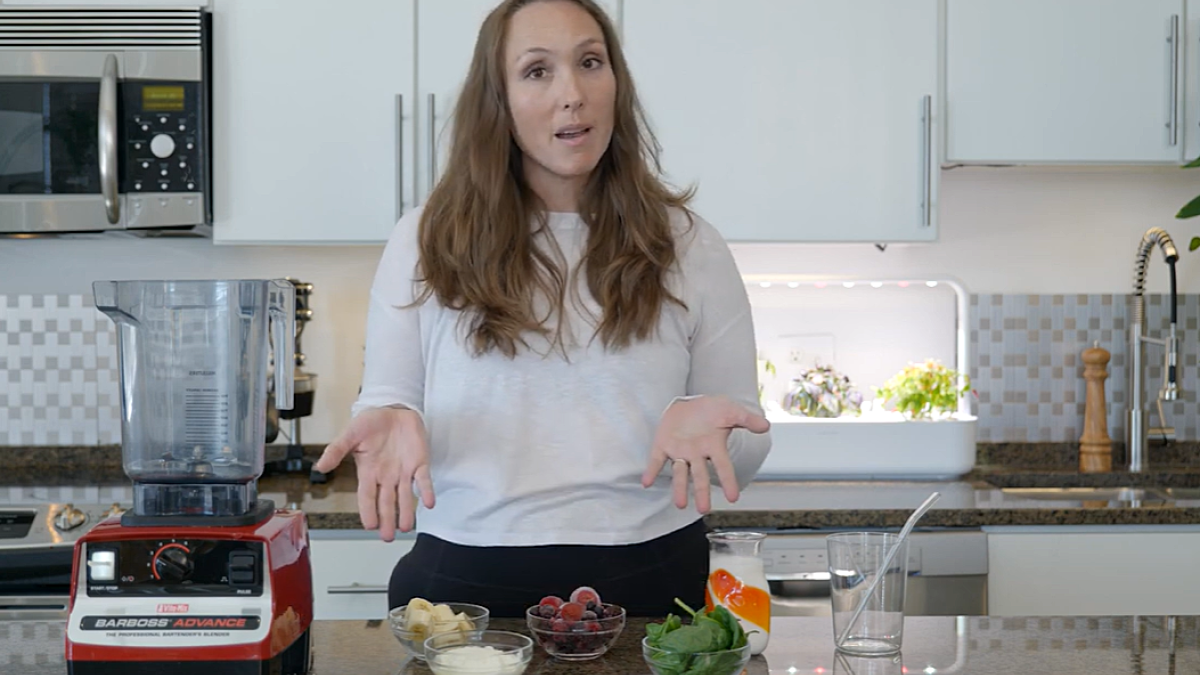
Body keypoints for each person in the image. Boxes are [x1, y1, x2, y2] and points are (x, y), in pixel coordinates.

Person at [314, 0, 771, 618]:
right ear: (496, 99)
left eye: (590, 62)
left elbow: (745, 448)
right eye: (537, 71)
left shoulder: (690, 243)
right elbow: (388, 407)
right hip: (465, 582)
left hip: (655, 581)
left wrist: (716, 431)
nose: (572, 93)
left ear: (617, 83)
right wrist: (386, 416)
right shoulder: (426, 238)